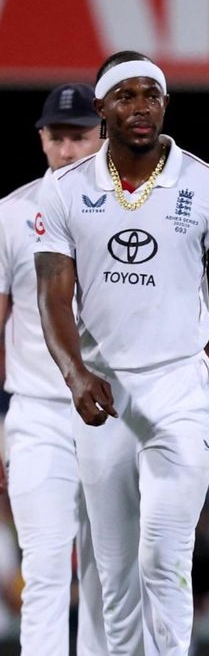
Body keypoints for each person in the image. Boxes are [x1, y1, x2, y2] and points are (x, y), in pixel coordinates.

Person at [32, 51, 209, 655]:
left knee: (163, 556)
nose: (141, 108)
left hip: (179, 389)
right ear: (101, 108)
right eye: (126, 96)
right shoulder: (62, 191)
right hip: (103, 395)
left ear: (165, 104)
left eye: (152, 95)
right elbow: (53, 299)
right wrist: (76, 374)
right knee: (112, 574)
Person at [0, 83, 107, 655]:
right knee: (44, 567)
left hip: (112, 416)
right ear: (41, 138)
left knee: (105, 569)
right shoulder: (11, 216)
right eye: (57, 137)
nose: (68, 150)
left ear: (103, 137)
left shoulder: (132, 218)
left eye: (79, 137)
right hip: (39, 412)